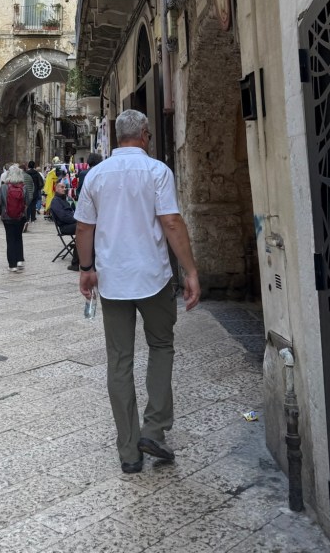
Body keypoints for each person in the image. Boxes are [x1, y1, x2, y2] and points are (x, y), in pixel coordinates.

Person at [75, 109, 200, 474]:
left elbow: (84, 229)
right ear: (145, 134)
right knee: (161, 346)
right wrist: (191, 271)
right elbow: (171, 222)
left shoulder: (96, 175)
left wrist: (86, 269)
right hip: (153, 277)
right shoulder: (157, 171)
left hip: (113, 280)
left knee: (119, 360)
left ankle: (129, 451)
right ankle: (154, 428)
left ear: (117, 136)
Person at [0, 164, 33, 272]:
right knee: (18, 237)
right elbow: (28, 201)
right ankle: (20, 260)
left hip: (7, 217)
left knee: (10, 239)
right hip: (20, 216)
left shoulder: (4, 187)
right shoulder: (24, 187)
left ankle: (12, 265)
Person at [48, 179, 79, 270]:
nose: (64, 189)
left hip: (71, 223)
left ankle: (79, 250)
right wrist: (77, 220)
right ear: (56, 189)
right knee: (83, 229)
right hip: (65, 227)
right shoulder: (55, 201)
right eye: (62, 187)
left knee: (88, 228)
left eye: (65, 187)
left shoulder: (63, 200)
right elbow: (63, 217)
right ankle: (76, 261)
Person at [25, 159, 44, 228]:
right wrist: (38, 188)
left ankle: (27, 218)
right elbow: (41, 182)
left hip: (27, 191)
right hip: (35, 191)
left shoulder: (26, 173)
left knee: (28, 205)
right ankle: (33, 218)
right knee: (33, 205)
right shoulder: (37, 173)